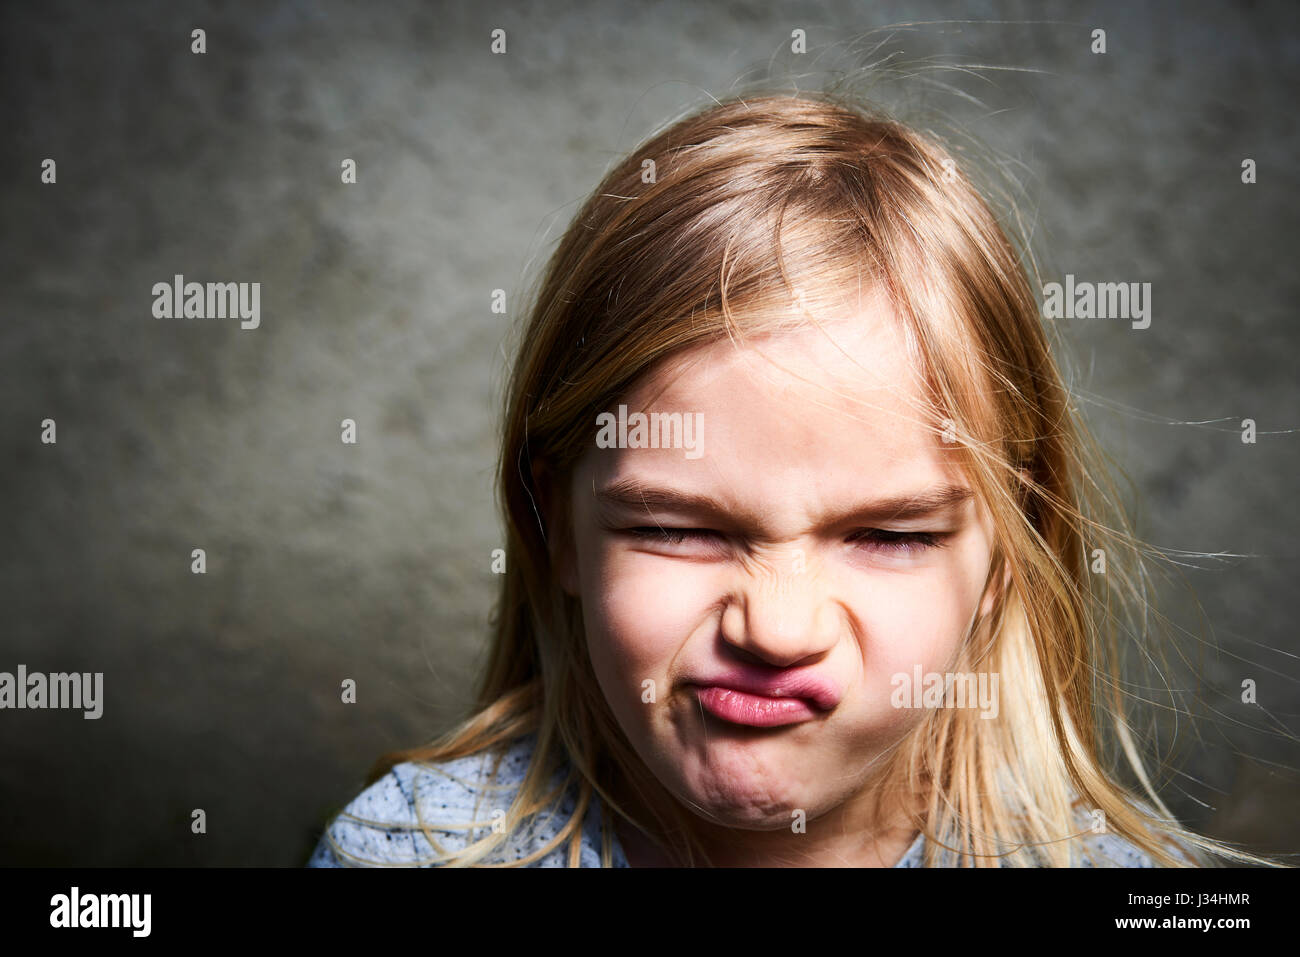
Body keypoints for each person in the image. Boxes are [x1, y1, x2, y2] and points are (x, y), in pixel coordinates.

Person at [308, 89, 1269, 867]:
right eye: (679, 528)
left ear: (1009, 552)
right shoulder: (407, 853)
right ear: (557, 526)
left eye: (892, 536)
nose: (776, 628)